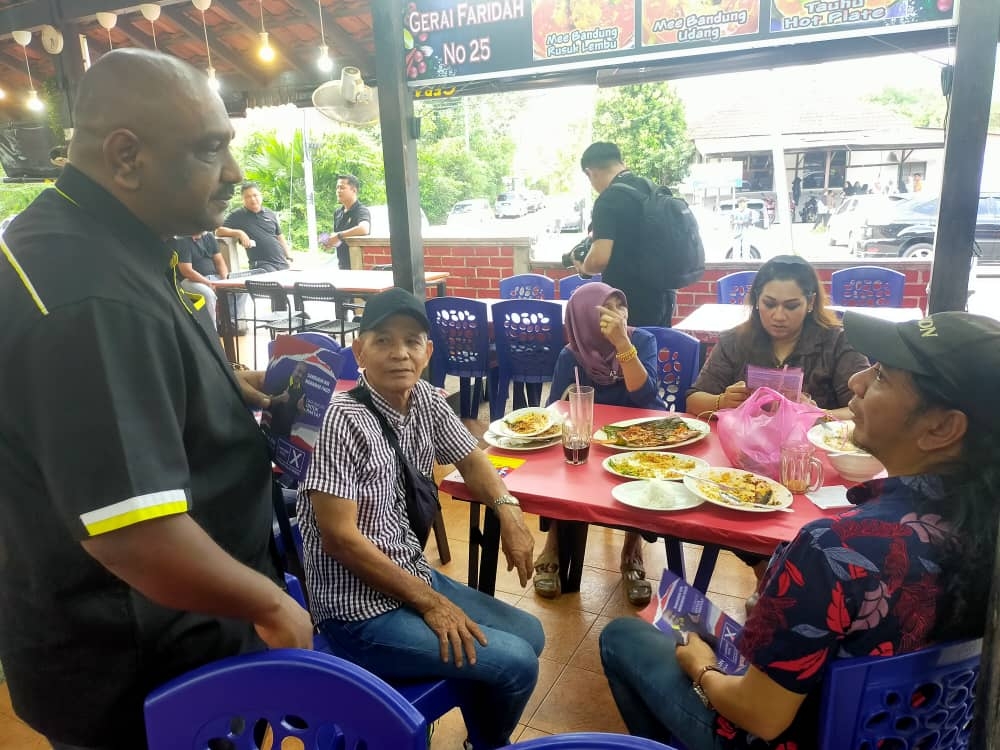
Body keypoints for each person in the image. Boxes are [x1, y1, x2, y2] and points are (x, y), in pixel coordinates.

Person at [0, 49, 312, 750]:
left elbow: (132, 382)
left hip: (167, 629)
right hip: (136, 660)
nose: (233, 173)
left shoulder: (107, 237)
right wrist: (272, 607)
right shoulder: (89, 295)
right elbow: (136, 536)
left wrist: (229, 390)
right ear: (126, 157)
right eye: (209, 150)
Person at [599, 311, 1000, 749]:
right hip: (925, 734)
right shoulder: (982, 525)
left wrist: (702, 667)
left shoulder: (836, 547)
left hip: (792, 734)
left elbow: (761, 716)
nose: (858, 383)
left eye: (882, 376)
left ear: (942, 427)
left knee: (625, 636)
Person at [298, 287, 545, 750]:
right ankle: (489, 745)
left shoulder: (428, 400)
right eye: (383, 340)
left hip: (408, 574)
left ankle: (477, 737)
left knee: (530, 632)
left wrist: (508, 513)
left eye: (412, 341)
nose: (400, 353)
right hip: (356, 612)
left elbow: (473, 461)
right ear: (359, 350)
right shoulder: (339, 421)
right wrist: (432, 603)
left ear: (428, 352)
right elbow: (340, 540)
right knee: (515, 662)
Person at [533, 282, 666, 604]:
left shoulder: (641, 340)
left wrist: (622, 343)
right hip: (590, 437)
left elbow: (645, 395)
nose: (618, 315)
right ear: (584, 318)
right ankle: (552, 543)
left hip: (638, 436)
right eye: (608, 309)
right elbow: (556, 408)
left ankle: (632, 550)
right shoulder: (572, 353)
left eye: (621, 306)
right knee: (561, 466)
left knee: (642, 475)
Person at [686, 255, 868, 425]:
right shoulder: (734, 341)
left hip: (813, 451)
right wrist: (721, 401)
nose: (779, 316)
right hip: (746, 448)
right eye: (769, 304)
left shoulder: (838, 342)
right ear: (757, 300)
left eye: (791, 306)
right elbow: (693, 400)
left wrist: (817, 414)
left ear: (810, 303)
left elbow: (865, 409)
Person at [576, 141, 674, 328]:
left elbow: (598, 260)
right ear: (620, 162)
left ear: (591, 172)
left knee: (625, 354)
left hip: (628, 303)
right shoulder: (650, 188)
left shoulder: (607, 201)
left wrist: (584, 267)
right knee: (651, 353)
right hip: (664, 296)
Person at [218, 182, 293, 273]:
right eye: (248, 197)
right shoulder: (237, 215)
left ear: (260, 196)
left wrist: (288, 256)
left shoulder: (269, 213)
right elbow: (219, 231)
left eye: (255, 195)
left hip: (281, 262)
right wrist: (240, 233)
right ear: (243, 199)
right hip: (261, 264)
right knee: (274, 284)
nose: (252, 199)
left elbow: (279, 236)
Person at [173, 230, 228, 330]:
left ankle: (230, 324)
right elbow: (187, 271)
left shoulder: (209, 237)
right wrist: (208, 283)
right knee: (208, 295)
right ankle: (212, 331)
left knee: (238, 290)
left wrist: (225, 279)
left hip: (213, 278)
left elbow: (220, 261)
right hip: (190, 280)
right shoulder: (183, 240)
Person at [323, 173, 371, 270]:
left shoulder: (361, 210)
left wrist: (339, 235)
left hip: (358, 266)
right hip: (342, 266)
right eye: (337, 188)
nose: (338, 191)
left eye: (342, 188)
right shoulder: (338, 213)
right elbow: (340, 239)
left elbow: (364, 229)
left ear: (354, 190)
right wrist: (331, 242)